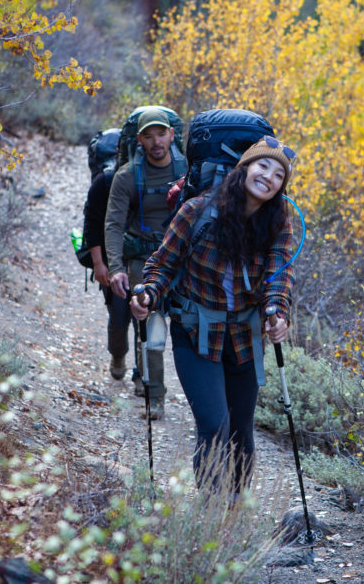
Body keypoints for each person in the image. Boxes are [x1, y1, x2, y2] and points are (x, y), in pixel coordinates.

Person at [130, 135, 296, 495]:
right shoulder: (196, 210)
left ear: (282, 186)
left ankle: (234, 507)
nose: (268, 177)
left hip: (245, 339)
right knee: (213, 425)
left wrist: (277, 313)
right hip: (195, 334)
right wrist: (148, 294)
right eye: (262, 165)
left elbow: (279, 276)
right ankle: (210, 509)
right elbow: (162, 263)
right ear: (245, 168)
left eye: (278, 175)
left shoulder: (279, 223)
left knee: (241, 430)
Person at [105, 107, 186, 420]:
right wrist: (115, 269)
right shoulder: (127, 176)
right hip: (141, 259)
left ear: (171, 134)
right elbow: (113, 224)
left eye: (161, 134)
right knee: (149, 326)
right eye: (149, 136)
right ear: (139, 139)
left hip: (179, 259)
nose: (156, 142)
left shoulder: (187, 169)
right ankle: (155, 395)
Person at [78, 130, 130, 382]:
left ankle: (146, 377)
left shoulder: (161, 177)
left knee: (148, 321)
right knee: (119, 317)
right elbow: (93, 224)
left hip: (148, 258)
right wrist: (98, 264)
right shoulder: (106, 180)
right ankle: (118, 355)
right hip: (113, 259)